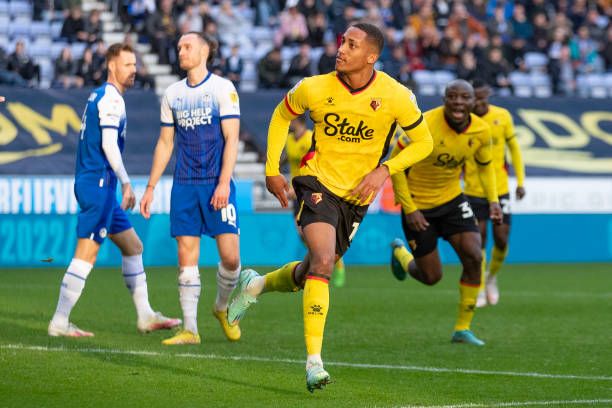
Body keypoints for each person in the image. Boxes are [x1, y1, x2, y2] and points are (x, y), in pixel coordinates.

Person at [227, 23, 433, 392]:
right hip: (316, 182)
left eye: (352, 45)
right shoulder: (314, 87)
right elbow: (280, 115)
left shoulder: (396, 95)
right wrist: (271, 169)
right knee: (323, 261)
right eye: (342, 42)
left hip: (356, 199)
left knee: (312, 269)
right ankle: (314, 363)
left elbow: (423, 143)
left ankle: (254, 285)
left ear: (371, 57)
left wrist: (384, 170)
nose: (341, 49)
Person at [48, 43, 181, 338]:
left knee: (133, 246)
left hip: (97, 184)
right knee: (87, 254)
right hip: (99, 184)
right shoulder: (111, 99)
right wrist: (125, 181)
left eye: (135, 64)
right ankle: (59, 321)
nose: (134, 70)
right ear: (112, 66)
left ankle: (146, 315)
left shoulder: (99, 95)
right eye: (128, 65)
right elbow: (108, 145)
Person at [140, 32, 242, 346]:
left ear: (204, 51)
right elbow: (165, 143)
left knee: (230, 258)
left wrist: (224, 181)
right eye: (180, 46)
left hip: (216, 183)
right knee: (186, 255)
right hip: (184, 184)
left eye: (187, 46)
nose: (181, 51)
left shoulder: (222, 88)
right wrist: (150, 186)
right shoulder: (172, 93)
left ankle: (222, 307)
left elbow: (232, 139)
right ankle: (190, 329)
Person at [389, 79, 502, 346]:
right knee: (431, 277)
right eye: (453, 97)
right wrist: (410, 208)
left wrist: (493, 200)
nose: (459, 103)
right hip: (418, 204)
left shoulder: (482, 131)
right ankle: (401, 254)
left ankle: (462, 329)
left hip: (452, 201)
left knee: (475, 256)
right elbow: (396, 166)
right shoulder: (423, 125)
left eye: (465, 98)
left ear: (473, 102)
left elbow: (486, 167)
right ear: (444, 99)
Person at [466, 80, 525, 307]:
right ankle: (479, 287)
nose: (479, 103)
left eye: (483, 98)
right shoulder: (464, 122)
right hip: (473, 190)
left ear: (488, 96)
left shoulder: (502, 116)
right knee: (478, 241)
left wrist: (520, 182)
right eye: (475, 99)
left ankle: (491, 276)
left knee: (501, 239)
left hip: (500, 190)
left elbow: (514, 150)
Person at [283, 115, 347, 287]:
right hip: (294, 192)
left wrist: (303, 190)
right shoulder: (289, 139)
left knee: (306, 232)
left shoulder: (310, 137)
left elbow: (318, 162)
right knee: (302, 234)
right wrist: (275, 167)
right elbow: (289, 157)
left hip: (309, 190)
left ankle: (336, 264)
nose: (288, 124)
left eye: (291, 121)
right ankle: (322, 259)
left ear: (298, 121)